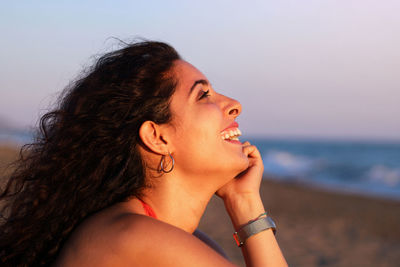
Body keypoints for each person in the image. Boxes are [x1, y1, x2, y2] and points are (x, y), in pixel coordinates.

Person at [0, 41, 287, 266]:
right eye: (203, 95)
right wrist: (247, 206)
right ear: (157, 136)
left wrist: (243, 198)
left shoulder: (182, 240)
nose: (234, 104)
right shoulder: (136, 237)